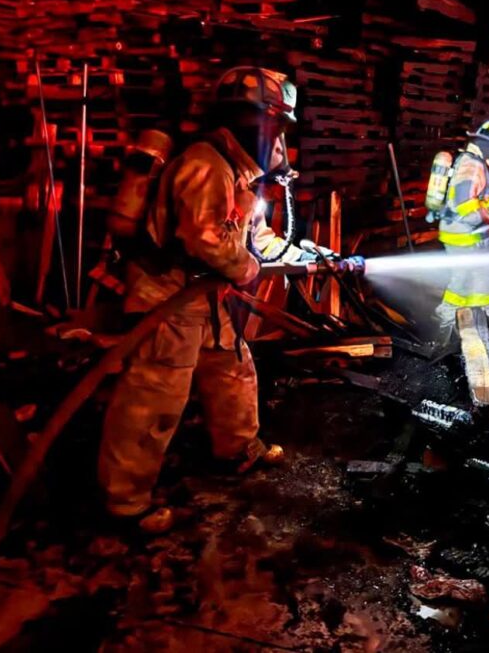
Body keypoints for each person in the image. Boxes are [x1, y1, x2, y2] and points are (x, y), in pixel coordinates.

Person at [98, 66, 341, 531]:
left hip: (203, 294)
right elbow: (208, 240)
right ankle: (125, 501)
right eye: (276, 126)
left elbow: (255, 237)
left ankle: (237, 449)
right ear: (261, 122)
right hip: (168, 293)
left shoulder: (239, 172)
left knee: (232, 366)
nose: (277, 139)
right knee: (156, 395)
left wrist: (306, 256)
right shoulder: (206, 165)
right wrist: (248, 268)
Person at [429, 120, 489, 337]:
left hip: (469, 233)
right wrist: (484, 215)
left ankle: (481, 315)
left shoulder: (480, 163)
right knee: (464, 277)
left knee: (480, 275)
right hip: (461, 234)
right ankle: (447, 318)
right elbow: (463, 203)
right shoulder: (472, 166)